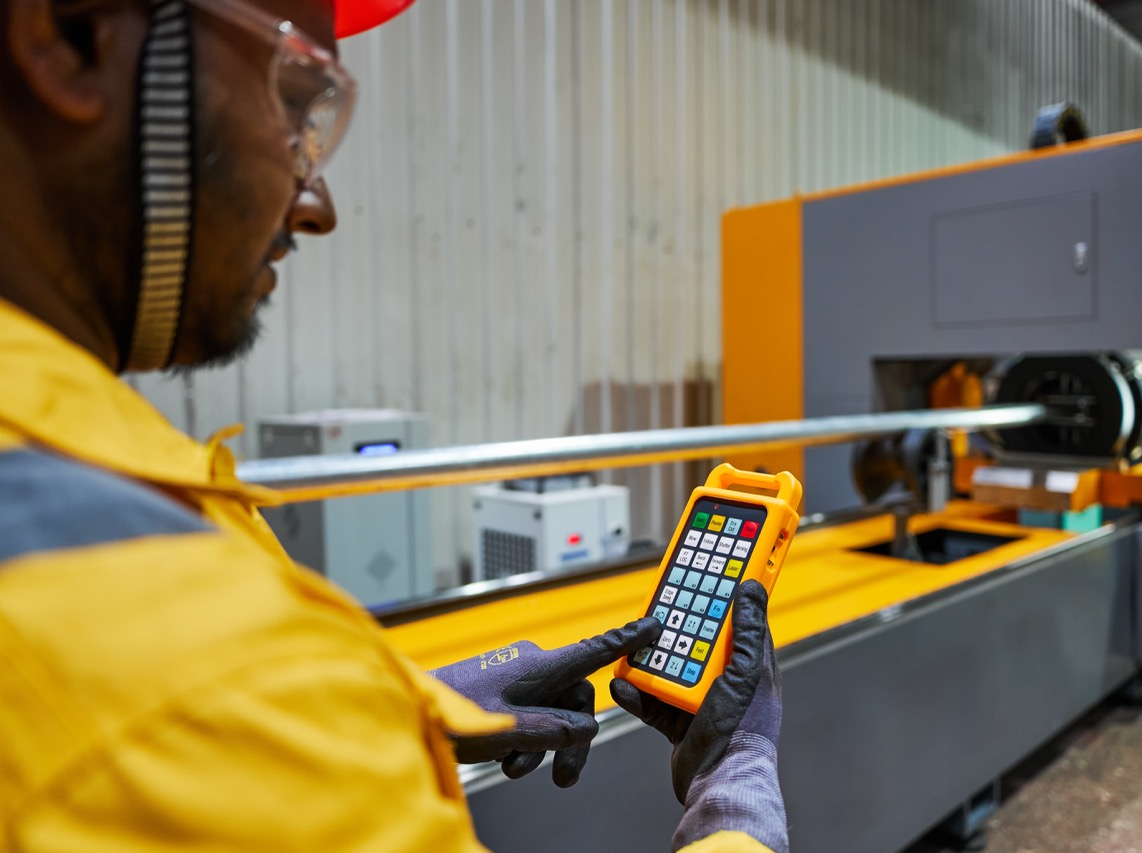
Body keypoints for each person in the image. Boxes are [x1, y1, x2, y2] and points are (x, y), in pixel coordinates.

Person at [0, 1, 788, 850]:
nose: (317, 203)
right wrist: (734, 783)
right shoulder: (202, 683)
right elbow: (212, 703)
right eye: (298, 98)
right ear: (72, 35)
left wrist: (413, 699)